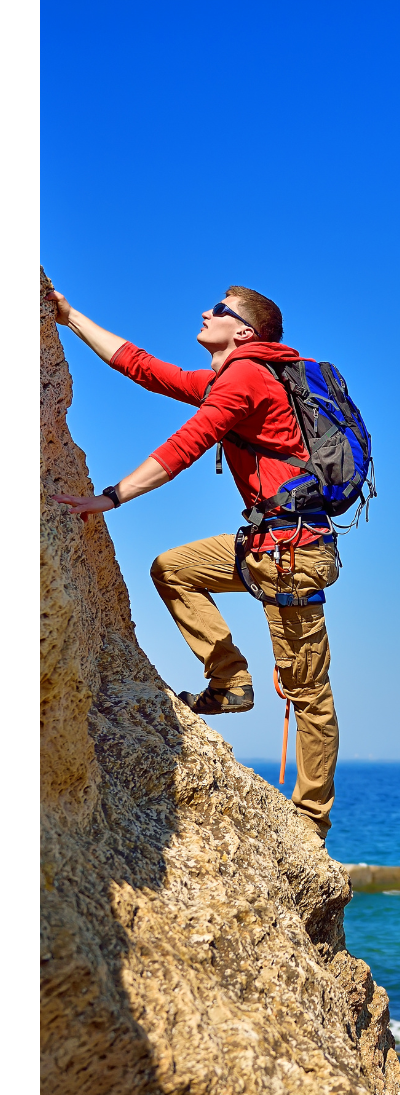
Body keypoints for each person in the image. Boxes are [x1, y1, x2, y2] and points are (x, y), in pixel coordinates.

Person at [48, 284, 339, 840]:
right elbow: (146, 369)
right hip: (266, 545)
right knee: (173, 568)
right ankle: (230, 681)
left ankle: (311, 821)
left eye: (220, 310)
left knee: (309, 693)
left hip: (293, 553)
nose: (207, 312)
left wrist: (111, 497)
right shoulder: (239, 377)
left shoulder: (248, 377)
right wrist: (70, 316)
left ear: (245, 332)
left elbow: (188, 443)